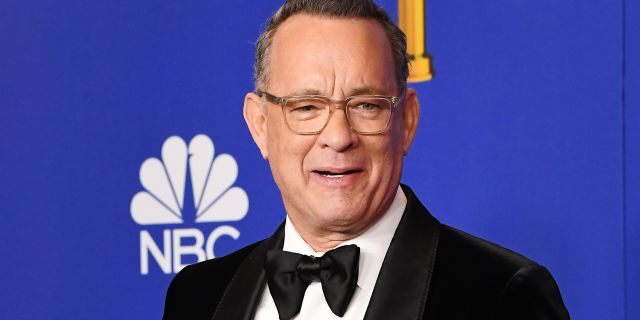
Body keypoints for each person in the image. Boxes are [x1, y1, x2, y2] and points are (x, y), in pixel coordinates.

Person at [162, 0, 570, 319]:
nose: (338, 137)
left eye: (367, 106)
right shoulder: (198, 296)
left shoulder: (502, 295)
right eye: (307, 107)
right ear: (260, 125)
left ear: (406, 121)